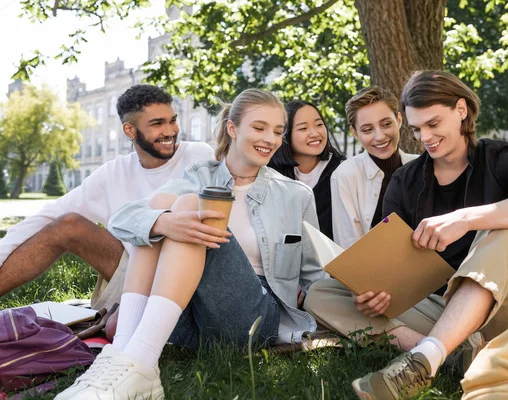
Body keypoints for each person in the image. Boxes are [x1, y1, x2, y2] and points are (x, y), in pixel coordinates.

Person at [304, 71, 508, 400]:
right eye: (416, 128)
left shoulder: (502, 156)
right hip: (439, 308)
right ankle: (449, 354)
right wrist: (375, 292)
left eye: (433, 123)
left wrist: (465, 219)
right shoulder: (405, 180)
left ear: (461, 110)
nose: (425, 136)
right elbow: (390, 258)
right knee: (322, 294)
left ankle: (423, 361)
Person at [55, 89, 327, 400]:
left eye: (279, 131)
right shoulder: (199, 175)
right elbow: (123, 219)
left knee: (186, 205)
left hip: (252, 320)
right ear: (233, 128)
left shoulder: (295, 195)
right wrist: (163, 223)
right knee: (164, 208)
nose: (270, 138)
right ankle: (125, 356)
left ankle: (138, 360)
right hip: (192, 320)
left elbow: (314, 274)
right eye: (259, 127)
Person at [0, 85, 214, 309]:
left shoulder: (199, 155)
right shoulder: (113, 173)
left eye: (172, 120)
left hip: (190, 276)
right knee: (68, 224)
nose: (170, 131)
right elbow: (48, 216)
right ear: (130, 131)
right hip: (136, 273)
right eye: (157, 124)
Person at [330, 87, 418, 249]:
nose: (379, 136)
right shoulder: (345, 175)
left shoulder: (421, 167)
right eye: (367, 129)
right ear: (355, 132)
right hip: (368, 271)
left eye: (386, 124)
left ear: (398, 120)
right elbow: (348, 246)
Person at [268, 100, 345, 239]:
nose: (315, 133)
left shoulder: (341, 170)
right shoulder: (271, 175)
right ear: (286, 134)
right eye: (303, 128)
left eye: (319, 125)